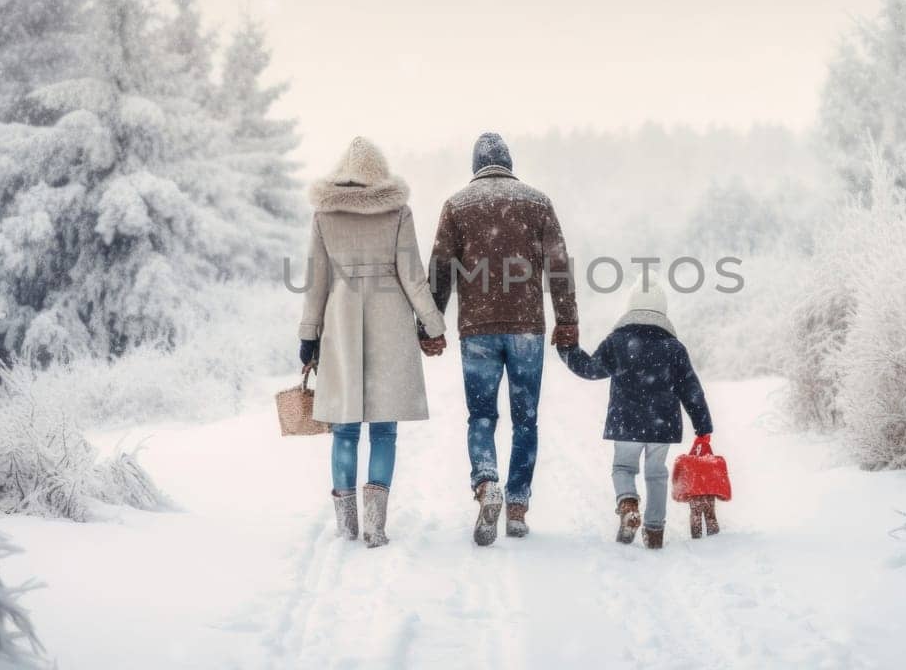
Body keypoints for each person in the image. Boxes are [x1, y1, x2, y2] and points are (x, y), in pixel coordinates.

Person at [424, 132, 579, 546]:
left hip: (477, 329)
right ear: (509, 163)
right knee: (526, 419)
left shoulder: (457, 205)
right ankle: (516, 507)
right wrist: (568, 321)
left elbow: (440, 271)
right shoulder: (538, 202)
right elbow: (559, 267)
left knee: (481, 416)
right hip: (527, 326)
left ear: (476, 166)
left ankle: (486, 481)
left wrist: (431, 325)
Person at [298, 137, 446, 548]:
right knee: (384, 431)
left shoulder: (324, 215)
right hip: (391, 319)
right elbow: (413, 277)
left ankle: (346, 524)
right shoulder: (397, 211)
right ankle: (376, 526)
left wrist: (308, 336)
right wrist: (434, 325)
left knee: (344, 430)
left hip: (340, 318)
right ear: (379, 172)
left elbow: (316, 283)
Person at [556, 274, 713, 550]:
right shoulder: (674, 347)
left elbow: (590, 369)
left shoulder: (618, 341)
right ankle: (654, 530)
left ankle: (628, 504)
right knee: (656, 474)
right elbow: (692, 389)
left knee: (623, 467)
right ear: (662, 310)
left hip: (626, 423)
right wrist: (703, 427)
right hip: (662, 425)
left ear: (630, 307)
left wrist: (567, 348)